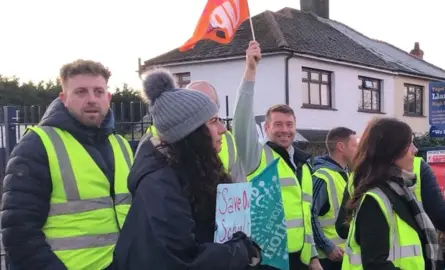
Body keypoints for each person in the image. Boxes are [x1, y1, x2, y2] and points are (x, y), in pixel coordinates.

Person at [112, 70, 260, 269]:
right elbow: (180, 261)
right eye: (213, 121)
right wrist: (239, 250)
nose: (223, 129)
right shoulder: (160, 186)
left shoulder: (190, 172)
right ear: (192, 132)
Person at [1, 60, 133, 270]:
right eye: (81, 92)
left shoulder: (121, 145)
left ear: (108, 97)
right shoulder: (38, 144)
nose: (92, 99)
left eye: (98, 91)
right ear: (63, 98)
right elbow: (18, 230)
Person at [233, 40, 322, 270]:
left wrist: (313, 256)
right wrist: (251, 70)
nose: (284, 130)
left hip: (299, 261)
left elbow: (305, 216)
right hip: (267, 260)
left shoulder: (303, 164)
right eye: (278, 125)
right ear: (266, 128)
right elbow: (241, 121)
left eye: (289, 124)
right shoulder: (257, 156)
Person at [342, 118, 442, 270]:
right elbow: (375, 264)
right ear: (392, 152)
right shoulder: (374, 200)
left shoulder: (402, 191)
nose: (414, 150)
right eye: (409, 145)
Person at [335, 151, 445, 241]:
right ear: (394, 147)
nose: (415, 149)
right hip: (412, 256)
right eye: (408, 144)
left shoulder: (357, 173)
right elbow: (437, 208)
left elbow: (342, 227)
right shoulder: (419, 166)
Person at [139, 80, 245, 182]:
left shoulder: (227, 141)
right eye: (212, 120)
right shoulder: (162, 183)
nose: (223, 129)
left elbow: (238, 184)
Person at [311, 127, 357, 270]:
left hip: (344, 256)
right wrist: (327, 247)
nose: (358, 151)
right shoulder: (322, 176)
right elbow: (308, 215)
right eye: (354, 146)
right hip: (328, 259)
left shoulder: (346, 175)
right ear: (341, 147)